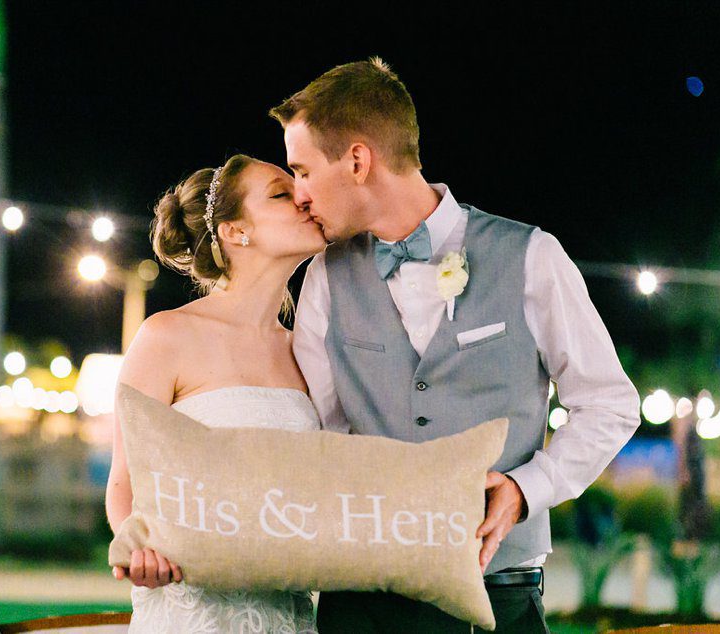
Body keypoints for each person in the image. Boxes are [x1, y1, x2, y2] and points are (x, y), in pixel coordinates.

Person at [272, 58, 642, 633]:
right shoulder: (324, 277)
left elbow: (610, 404)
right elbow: (326, 431)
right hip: (364, 599)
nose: (298, 195)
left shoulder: (533, 257)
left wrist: (525, 489)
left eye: (301, 170)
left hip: (499, 594)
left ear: (357, 159)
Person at [105, 154, 326, 633]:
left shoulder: (306, 351)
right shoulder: (166, 336)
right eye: (280, 193)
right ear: (235, 231)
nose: (305, 198)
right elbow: (124, 482)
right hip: (193, 608)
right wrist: (140, 546)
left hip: (285, 608)